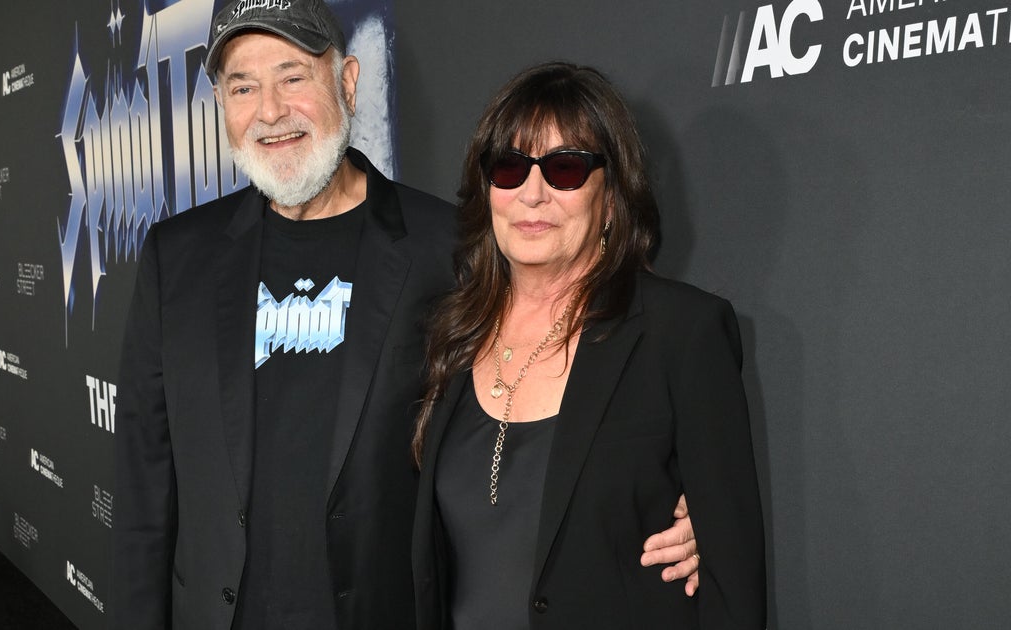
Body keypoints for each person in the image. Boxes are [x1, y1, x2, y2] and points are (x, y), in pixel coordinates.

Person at [113, 3, 701, 629]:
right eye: (242, 87)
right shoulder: (176, 258)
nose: (270, 111)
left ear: (347, 82)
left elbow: (548, 374)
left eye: (292, 77)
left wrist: (674, 494)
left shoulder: (447, 248)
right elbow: (144, 486)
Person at [410, 62, 766, 629]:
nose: (532, 195)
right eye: (509, 167)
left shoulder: (681, 332)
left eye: (565, 169)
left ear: (612, 195)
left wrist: (708, 528)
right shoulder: (452, 333)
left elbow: (734, 589)